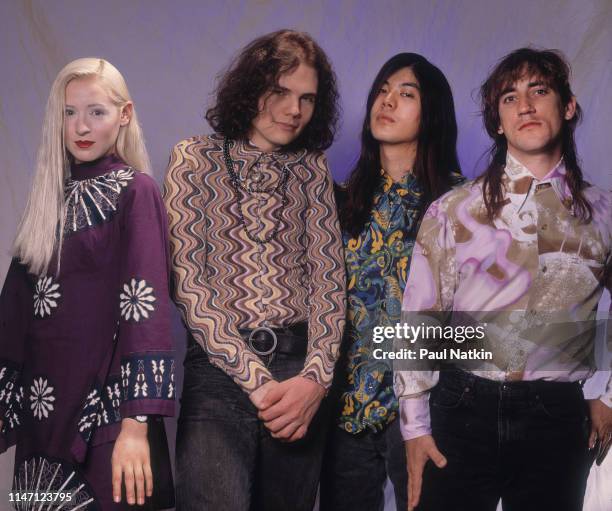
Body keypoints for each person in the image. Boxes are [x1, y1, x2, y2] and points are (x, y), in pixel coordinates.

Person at [394, 48, 612, 511]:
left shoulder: (603, 215)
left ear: (568, 106)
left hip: (556, 415)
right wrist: (414, 427)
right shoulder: (453, 210)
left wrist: (610, 396)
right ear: (497, 121)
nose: (526, 105)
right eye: (510, 98)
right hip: (461, 405)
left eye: (539, 91)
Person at [163, 30, 345, 511]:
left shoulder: (311, 168)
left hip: (298, 375)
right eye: (281, 92)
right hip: (219, 373)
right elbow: (189, 286)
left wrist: (316, 379)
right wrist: (257, 382)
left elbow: (328, 281)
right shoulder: (194, 159)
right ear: (251, 88)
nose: (294, 110)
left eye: (307, 98)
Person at [0, 58, 175, 510]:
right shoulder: (46, 199)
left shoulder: (136, 191)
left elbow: (146, 308)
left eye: (96, 111)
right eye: (69, 112)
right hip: (43, 413)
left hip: (107, 413)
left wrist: (135, 427)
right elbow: (13, 317)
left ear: (125, 114)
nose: (81, 125)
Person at [320, 53, 464, 511]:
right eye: (383, 90)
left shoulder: (463, 205)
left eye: (406, 94)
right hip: (347, 410)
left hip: (430, 410)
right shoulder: (338, 203)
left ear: (432, 113)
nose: (388, 101)